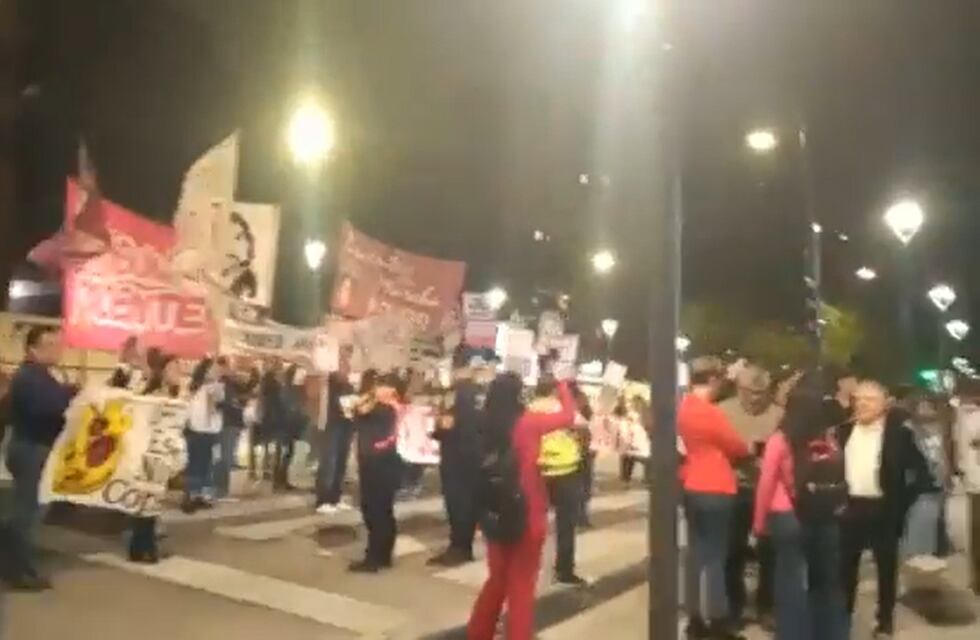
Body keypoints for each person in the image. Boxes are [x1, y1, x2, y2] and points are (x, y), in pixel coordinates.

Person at [467, 373, 575, 640]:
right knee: (522, 584)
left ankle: (479, 633)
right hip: (528, 510)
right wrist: (562, 386)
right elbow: (568, 416)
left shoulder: (482, 424)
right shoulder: (529, 422)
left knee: (497, 579)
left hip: (494, 510)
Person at [753, 370, 849, 640]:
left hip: (786, 515)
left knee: (790, 580)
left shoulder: (780, 439)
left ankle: (793, 633)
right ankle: (831, 633)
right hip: (823, 513)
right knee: (826, 580)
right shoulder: (827, 438)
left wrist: (759, 524)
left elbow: (766, 483)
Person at [838, 380, 920, 639]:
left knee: (885, 568)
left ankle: (884, 621)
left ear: (885, 405)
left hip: (883, 508)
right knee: (844, 568)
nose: (862, 404)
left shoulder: (899, 434)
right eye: (858, 398)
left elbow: (919, 473)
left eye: (870, 399)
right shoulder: (842, 431)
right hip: (848, 506)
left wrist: (900, 504)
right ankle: (842, 620)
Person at [678, 356, 750, 640]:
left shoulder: (684, 407)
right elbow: (737, 446)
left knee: (695, 553)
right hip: (716, 485)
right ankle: (718, 619)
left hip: (691, 483)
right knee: (716, 556)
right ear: (711, 380)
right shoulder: (711, 413)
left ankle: (695, 618)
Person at [4, 326, 74, 590]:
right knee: (28, 513)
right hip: (31, 449)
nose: (57, 350)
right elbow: (48, 408)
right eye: (50, 345)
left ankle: (17, 565)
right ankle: (20, 571)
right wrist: (70, 398)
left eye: (58, 344)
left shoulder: (42, 375)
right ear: (32, 349)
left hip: (35, 448)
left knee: (30, 510)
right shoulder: (29, 377)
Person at [719, 364, 783, 627]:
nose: (755, 398)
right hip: (733, 488)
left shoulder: (779, 415)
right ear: (738, 388)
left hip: (768, 491)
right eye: (749, 392)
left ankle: (766, 606)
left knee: (770, 551)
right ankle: (734, 606)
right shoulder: (723, 411)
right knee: (732, 550)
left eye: (761, 393)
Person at [428, 350, 485, 566]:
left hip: (455, 459)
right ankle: (464, 547)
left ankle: (458, 548)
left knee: (456, 505)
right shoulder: (481, 399)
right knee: (469, 505)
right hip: (475, 458)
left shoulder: (456, 399)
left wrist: (436, 426)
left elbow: (444, 428)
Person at [130, 353, 184, 564]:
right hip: (149, 453)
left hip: (163, 454)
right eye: (173, 369)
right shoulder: (153, 396)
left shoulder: (174, 396)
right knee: (147, 500)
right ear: (162, 372)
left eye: (179, 369)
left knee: (153, 501)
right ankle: (144, 547)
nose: (178, 373)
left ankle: (142, 546)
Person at [349, 371, 402, 573]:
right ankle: (384, 554)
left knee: (374, 510)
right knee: (384, 510)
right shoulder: (393, 408)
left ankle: (374, 557)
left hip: (376, 462)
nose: (376, 389)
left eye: (381, 386)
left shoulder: (382, 409)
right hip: (385, 461)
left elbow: (357, 412)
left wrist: (366, 398)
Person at [537, 375, 587, 586]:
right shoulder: (563, 409)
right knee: (566, 523)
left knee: (534, 523)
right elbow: (583, 428)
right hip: (566, 471)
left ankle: (528, 566)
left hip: (539, 470)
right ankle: (564, 570)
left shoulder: (530, 409)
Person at [903, 393, 950, 569]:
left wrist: (947, 475)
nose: (926, 410)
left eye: (929, 406)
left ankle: (932, 551)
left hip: (938, 481)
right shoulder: (909, 429)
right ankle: (918, 555)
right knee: (920, 519)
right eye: (922, 406)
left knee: (934, 518)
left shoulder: (940, 428)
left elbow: (942, 454)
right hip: (921, 483)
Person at [316, 346, 357, 514]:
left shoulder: (348, 385)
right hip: (331, 425)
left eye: (347, 361)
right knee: (329, 462)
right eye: (343, 361)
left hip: (345, 426)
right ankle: (323, 499)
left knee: (341, 462)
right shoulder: (328, 382)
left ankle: (335, 497)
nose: (347, 366)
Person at [182, 358, 223, 513]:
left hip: (209, 431)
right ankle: (190, 496)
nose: (217, 371)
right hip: (196, 430)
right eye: (213, 369)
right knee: (195, 465)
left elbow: (217, 406)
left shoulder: (215, 387)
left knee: (205, 465)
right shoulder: (196, 388)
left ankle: (199, 495)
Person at [954, 380, 980, 593]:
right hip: (977, 484)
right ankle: (978, 578)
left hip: (974, 480)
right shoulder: (970, 419)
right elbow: (963, 447)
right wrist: (964, 470)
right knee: (977, 533)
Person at [214, 357, 246, 500]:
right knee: (225, 457)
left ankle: (221, 490)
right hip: (227, 423)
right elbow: (226, 404)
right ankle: (221, 490)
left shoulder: (230, 383)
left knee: (224, 456)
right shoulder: (222, 384)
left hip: (228, 423)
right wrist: (237, 407)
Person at [275, 364, 308, 492]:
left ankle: (281, 480)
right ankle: (280, 480)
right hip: (286, 425)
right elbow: (292, 407)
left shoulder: (290, 388)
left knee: (287, 452)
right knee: (286, 452)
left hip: (288, 425)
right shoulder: (290, 390)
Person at [572, 383, 596, 528]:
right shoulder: (573, 416)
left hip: (585, 454)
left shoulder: (586, 415)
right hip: (577, 454)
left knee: (585, 486)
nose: (584, 401)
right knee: (580, 486)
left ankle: (582, 515)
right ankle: (579, 516)